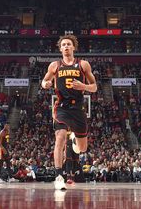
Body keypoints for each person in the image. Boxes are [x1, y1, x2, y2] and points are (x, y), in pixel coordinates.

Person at [40, 35, 97, 191]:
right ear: (60, 48)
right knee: (60, 138)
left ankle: (75, 143)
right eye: (63, 44)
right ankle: (59, 176)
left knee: (83, 148)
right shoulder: (55, 65)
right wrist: (46, 83)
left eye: (68, 44)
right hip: (62, 108)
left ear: (74, 47)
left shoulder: (83, 65)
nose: (66, 46)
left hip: (78, 109)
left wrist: (83, 86)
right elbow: (44, 82)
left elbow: (95, 87)